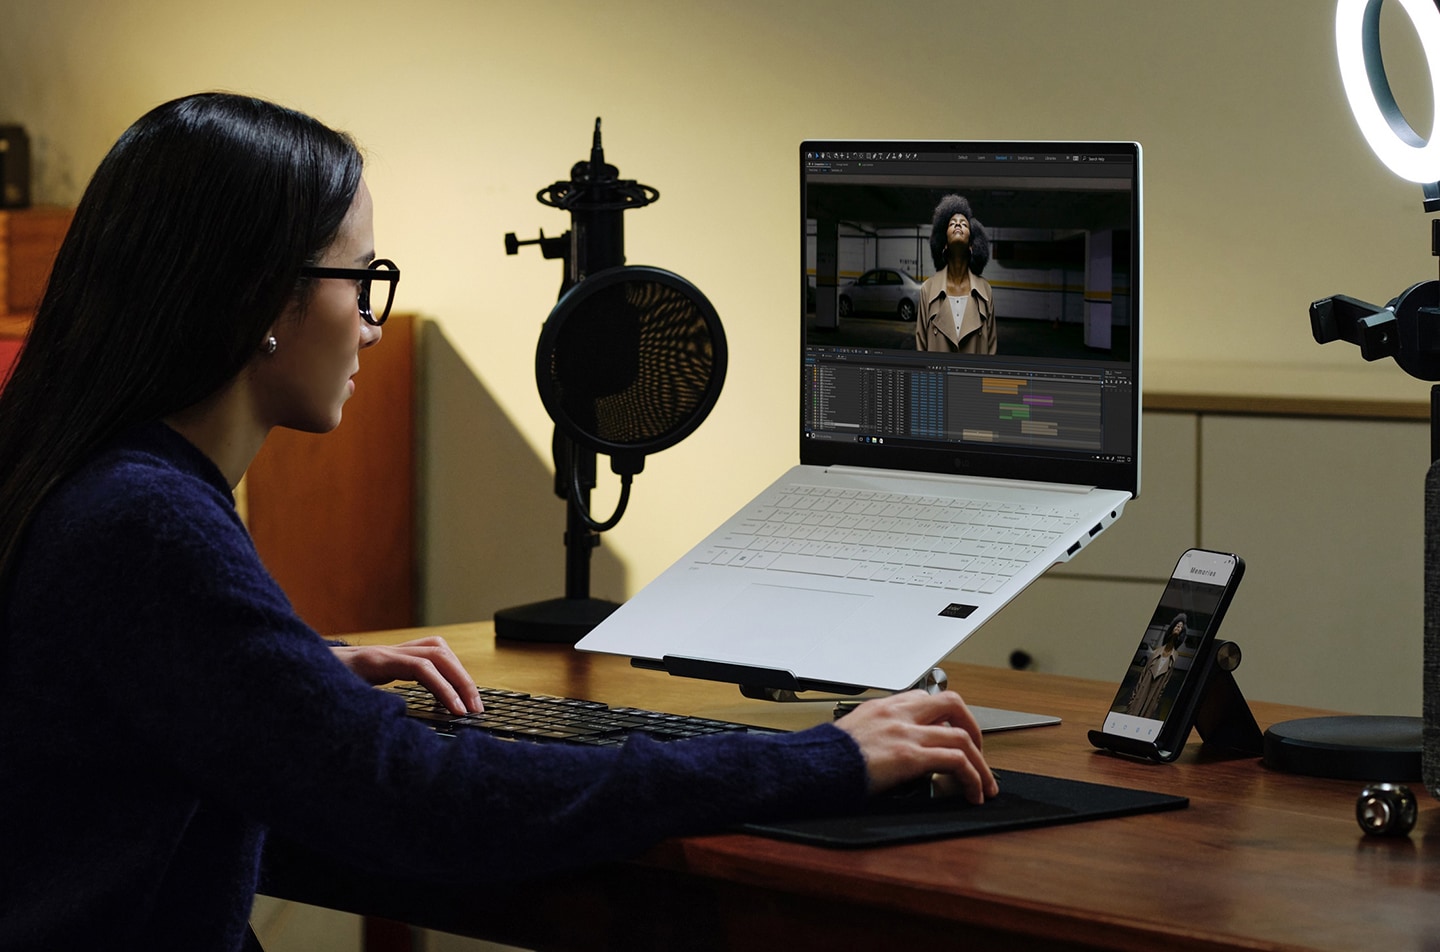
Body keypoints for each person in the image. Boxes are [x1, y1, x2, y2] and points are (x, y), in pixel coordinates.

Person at [0, 92, 997, 952]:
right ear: (263, 294)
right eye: (361, 279)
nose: (373, 324)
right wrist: (818, 757)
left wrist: (288, 677)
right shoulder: (147, 522)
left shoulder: (85, 480)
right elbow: (419, 797)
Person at [916, 194, 996, 354]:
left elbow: (991, 347)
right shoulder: (927, 289)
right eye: (952, 223)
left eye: (964, 224)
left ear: (972, 245)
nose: (958, 224)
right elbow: (921, 345)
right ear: (944, 243)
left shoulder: (985, 290)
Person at [1124, 614, 1188, 719]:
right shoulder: (1156, 652)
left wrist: (1155, 705)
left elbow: (1164, 685)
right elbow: (1142, 676)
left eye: (1181, 627)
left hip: (1151, 701)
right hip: (1139, 696)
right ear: (1172, 628)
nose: (1178, 627)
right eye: (1177, 625)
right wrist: (1133, 699)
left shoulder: (1174, 657)